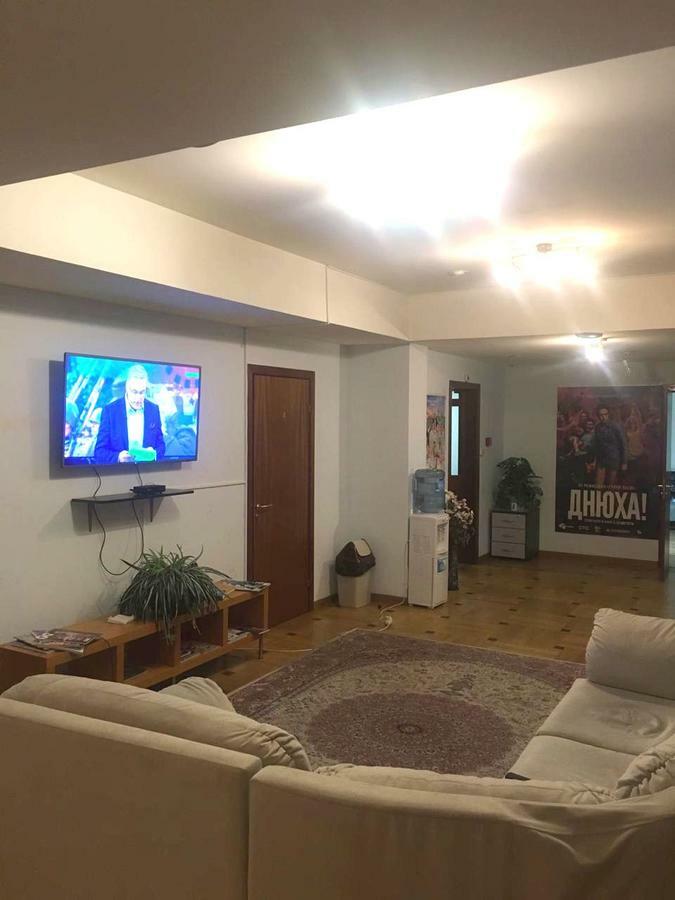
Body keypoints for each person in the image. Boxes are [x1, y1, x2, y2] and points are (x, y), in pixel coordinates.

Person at [94, 365, 165, 464]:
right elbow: (99, 452)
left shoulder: (153, 410)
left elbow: (161, 446)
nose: (138, 398)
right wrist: (118, 457)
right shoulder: (110, 411)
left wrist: (154, 454)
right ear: (127, 388)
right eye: (134, 392)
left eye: (142, 392)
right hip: (119, 472)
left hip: (147, 471)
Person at [592, 405, 627, 486]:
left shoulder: (616, 426)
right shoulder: (597, 427)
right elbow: (596, 445)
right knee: (598, 484)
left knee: (611, 485)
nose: (603, 417)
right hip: (601, 459)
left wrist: (624, 462)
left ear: (608, 414)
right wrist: (594, 461)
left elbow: (623, 444)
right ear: (598, 416)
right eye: (601, 415)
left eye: (605, 414)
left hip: (613, 458)